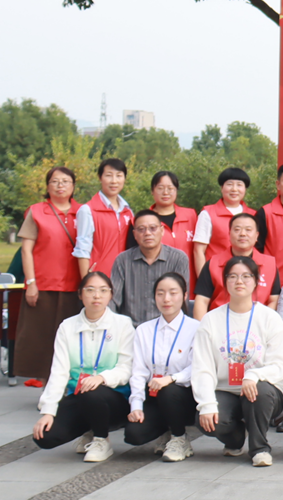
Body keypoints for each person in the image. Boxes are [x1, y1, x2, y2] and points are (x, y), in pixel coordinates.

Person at [193, 256, 283, 466]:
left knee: (259, 391)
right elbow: (202, 368)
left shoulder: (270, 318)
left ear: (256, 281)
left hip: (265, 389)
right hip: (226, 389)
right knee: (208, 420)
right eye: (233, 276)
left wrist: (254, 375)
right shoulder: (211, 320)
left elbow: (281, 365)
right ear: (225, 281)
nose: (239, 281)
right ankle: (235, 438)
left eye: (246, 276)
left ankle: (259, 449)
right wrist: (207, 405)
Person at [31, 271, 135, 462]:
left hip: (114, 397)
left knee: (92, 393)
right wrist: (48, 411)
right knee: (45, 437)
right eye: (90, 290)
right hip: (79, 395)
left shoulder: (122, 324)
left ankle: (101, 440)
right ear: (80, 294)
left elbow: (126, 368)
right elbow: (59, 372)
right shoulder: (67, 327)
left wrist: (101, 378)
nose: (97, 296)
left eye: (103, 290)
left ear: (111, 295)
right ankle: (89, 429)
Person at [16, 167, 83, 383]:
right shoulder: (36, 211)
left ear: (73, 186)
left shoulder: (83, 212)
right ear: (47, 186)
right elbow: (26, 250)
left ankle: (71, 386)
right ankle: (47, 386)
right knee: (41, 339)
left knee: (72, 341)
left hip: (75, 286)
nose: (60, 185)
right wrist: (31, 283)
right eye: (55, 181)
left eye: (65, 181)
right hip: (43, 286)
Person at [124, 272, 198, 462]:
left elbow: (197, 368)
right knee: (134, 435)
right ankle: (166, 432)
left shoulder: (196, 328)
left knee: (169, 390)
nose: (166, 299)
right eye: (160, 293)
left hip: (184, 396)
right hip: (154, 396)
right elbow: (138, 372)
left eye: (173, 293)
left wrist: (171, 378)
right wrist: (136, 405)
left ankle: (179, 438)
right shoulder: (144, 330)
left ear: (184, 295)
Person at [109, 210, 192, 325]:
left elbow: (181, 299)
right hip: (130, 328)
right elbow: (113, 299)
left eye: (153, 228)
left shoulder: (178, 258)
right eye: (141, 229)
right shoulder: (123, 260)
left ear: (162, 231)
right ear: (134, 234)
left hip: (166, 327)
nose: (147, 233)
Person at [193, 213, 280, 318]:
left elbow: (273, 300)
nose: (242, 234)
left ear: (257, 235)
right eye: (237, 229)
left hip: (258, 323)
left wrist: (263, 322)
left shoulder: (270, 264)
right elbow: (202, 300)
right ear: (229, 234)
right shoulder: (213, 264)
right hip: (220, 322)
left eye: (248, 230)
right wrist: (202, 326)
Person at [74, 158, 134, 276]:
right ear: (100, 177)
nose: (114, 181)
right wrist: (87, 281)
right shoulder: (88, 210)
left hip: (124, 277)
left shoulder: (128, 212)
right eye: (109, 175)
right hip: (99, 278)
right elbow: (82, 250)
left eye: (119, 176)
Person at [192, 168, 254, 275]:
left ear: (245, 189)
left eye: (239, 185)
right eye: (229, 184)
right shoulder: (208, 213)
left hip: (246, 275)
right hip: (216, 274)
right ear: (222, 188)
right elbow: (199, 250)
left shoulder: (253, 215)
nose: (234, 189)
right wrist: (203, 279)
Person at [145, 171, 197, 254]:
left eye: (170, 188)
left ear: (176, 190)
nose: (165, 192)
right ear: (152, 191)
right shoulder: (143, 220)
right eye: (160, 188)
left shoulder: (191, 216)